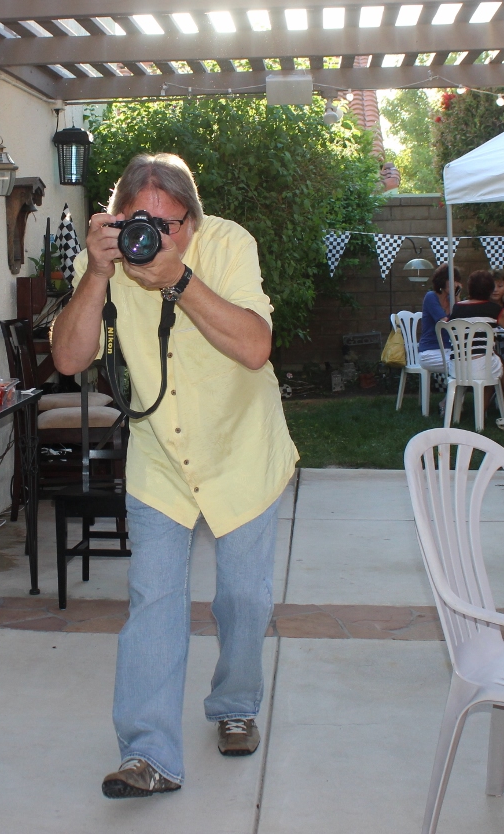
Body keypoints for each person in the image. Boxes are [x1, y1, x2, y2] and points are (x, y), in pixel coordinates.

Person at [50, 153, 297, 799]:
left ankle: (235, 705)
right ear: (115, 219)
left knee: (245, 600)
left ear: (193, 220)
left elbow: (255, 345)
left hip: (242, 451)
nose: (153, 237)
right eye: (139, 222)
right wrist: (97, 276)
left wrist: (178, 282)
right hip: (161, 457)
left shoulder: (228, 244)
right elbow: (70, 356)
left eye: (169, 224)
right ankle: (147, 754)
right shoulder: (105, 262)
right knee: (154, 603)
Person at [450, 269, 504, 407]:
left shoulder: (457, 308)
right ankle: (482, 412)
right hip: (480, 367)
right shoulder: (493, 309)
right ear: (489, 289)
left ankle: (472, 412)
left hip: (456, 367)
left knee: (492, 360)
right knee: (493, 367)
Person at [414, 265, 454, 376]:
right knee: (460, 365)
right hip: (430, 351)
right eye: (451, 280)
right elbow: (445, 322)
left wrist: (457, 298)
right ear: (442, 281)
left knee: (468, 364)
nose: (455, 284)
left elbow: (460, 320)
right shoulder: (431, 297)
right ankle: (453, 393)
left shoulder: (452, 300)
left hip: (449, 350)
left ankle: (455, 393)